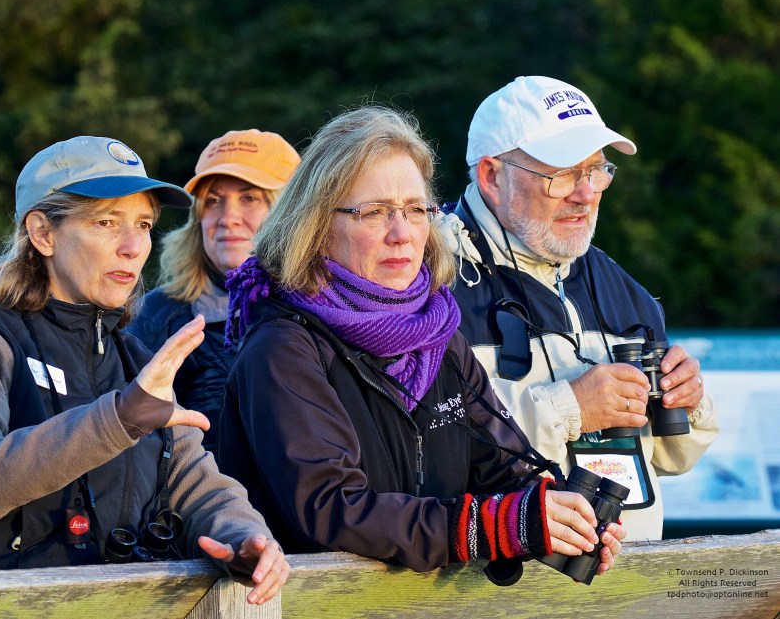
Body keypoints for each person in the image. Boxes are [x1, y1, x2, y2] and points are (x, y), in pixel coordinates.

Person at [217, 105, 625, 579]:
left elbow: (503, 471)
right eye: (374, 213)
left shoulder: (438, 334)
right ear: (317, 224)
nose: (401, 234)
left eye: (415, 210)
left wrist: (560, 516)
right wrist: (493, 526)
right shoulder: (284, 348)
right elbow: (331, 511)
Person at [0, 136, 288, 603]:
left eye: (143, 224)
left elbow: (197, 486)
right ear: (43, 233)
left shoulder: (136, 357)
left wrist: (247, 540)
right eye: (106, 222)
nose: (132, 247)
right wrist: (121, 417)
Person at [441, 76, 718, 541]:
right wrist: (568, 409)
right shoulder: (426, 284)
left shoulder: (626, 291)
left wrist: (687, 402)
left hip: (633, 588)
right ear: (491, 175)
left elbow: (672, 459)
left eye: (596, 170)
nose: (586, 193)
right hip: (496, 593)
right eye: (562, 174)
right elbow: (424, 450)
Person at [127, 130, 299, 454]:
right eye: (214, 201)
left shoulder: (334, 308)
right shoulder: (160, 316)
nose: (227, 218)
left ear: (292, 212)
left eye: (249, 198)